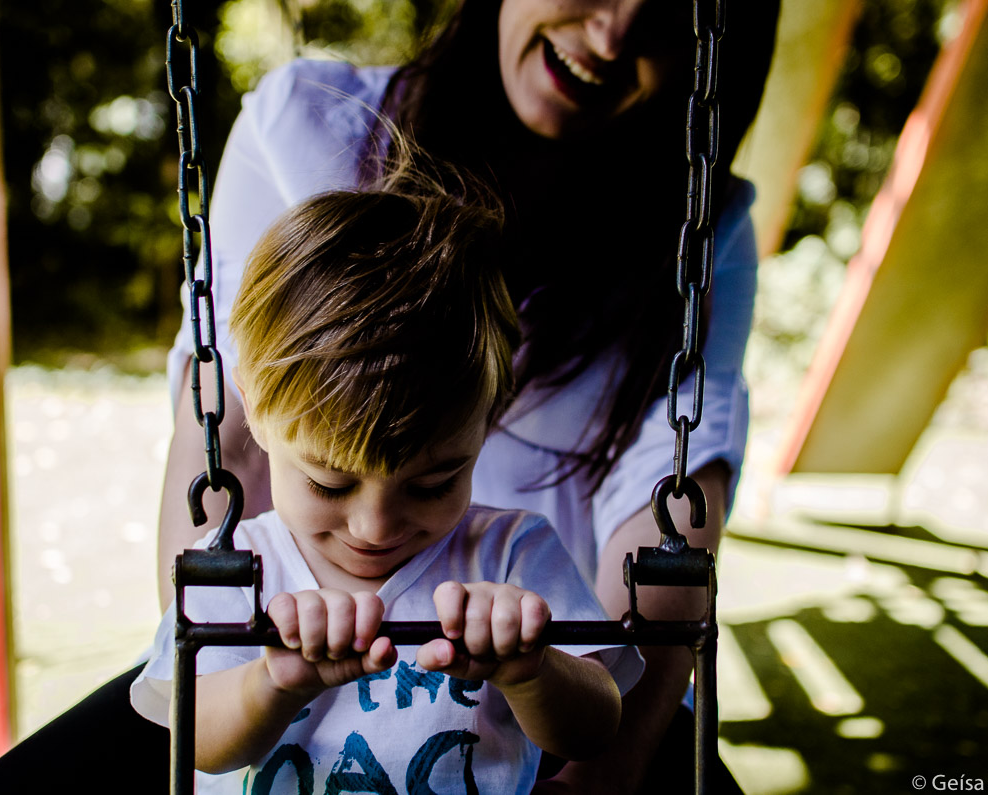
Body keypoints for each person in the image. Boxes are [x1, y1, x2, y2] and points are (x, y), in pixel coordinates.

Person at [0, 0, 780, 791]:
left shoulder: (697, 227)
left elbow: (670, 504)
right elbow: (225, 434)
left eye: (432, 479)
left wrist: (568, 725)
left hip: (521, 657)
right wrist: (256, 666)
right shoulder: (304, 127)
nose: (613, 32)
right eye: (328, 481)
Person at [132, 183, 641, 793]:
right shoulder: (238, 571)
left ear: (489, 415)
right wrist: (271, 681)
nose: (376, 527)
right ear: (256, 409)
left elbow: (596, 726)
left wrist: (533, 671)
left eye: (431, 485)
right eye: (328, 482)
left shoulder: (512, 555)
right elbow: (198, 744)